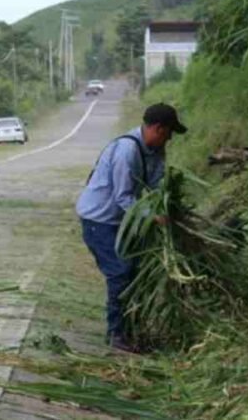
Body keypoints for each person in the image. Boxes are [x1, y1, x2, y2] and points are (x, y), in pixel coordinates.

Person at [75, 103, 187, 352]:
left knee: (133, 271)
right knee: (120, 272)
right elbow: (123, 197)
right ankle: (116, 334)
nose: (169, 139)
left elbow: (157, 184)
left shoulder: (155, 151)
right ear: (158, 129)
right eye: (168, 133)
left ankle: (129, 329)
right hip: (99, 221)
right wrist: (153, 216)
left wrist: (169, 205)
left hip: (120, 220)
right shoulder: (127, 151)